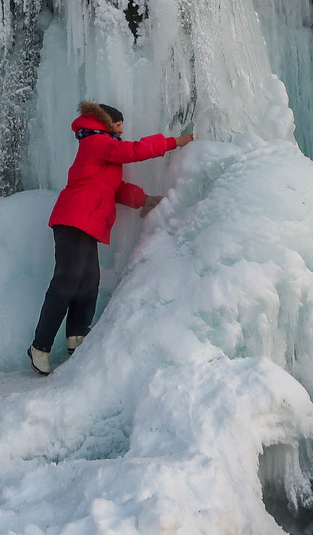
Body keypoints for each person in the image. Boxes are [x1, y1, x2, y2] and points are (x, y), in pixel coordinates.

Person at [28, 101, 193, 375]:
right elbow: (133, 151)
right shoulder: (96, 142)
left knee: (89, 281)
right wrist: (175, 142)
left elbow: (115, 189)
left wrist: (144, 199)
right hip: (73, 220)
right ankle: (40, 346)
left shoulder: (102, 149)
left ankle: (76, 338)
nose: (122, 131)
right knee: (66, 282)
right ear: (108, 123)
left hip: (87, 223)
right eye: (119, 125)